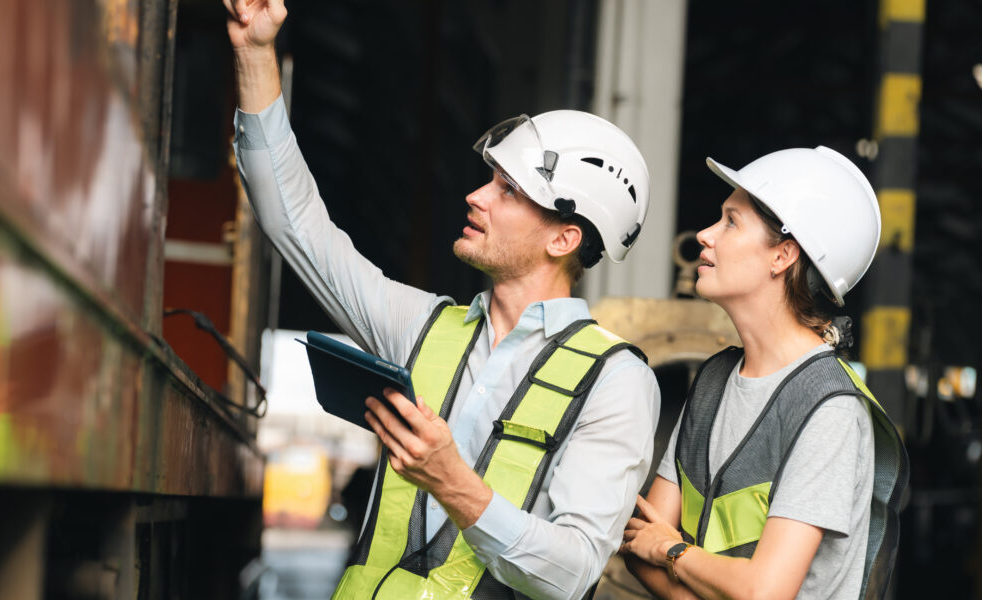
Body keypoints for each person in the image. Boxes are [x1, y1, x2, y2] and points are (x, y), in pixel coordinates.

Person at [224, 1, 661, 598]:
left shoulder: (615, 382)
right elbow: (295, 226)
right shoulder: (424, 328)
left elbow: (570, 572)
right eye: (490, 179)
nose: (477, 196)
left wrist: (452, 481)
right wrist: (254, 52)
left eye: (508, 191)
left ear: (565, 238)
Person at [620, 147, 909, 599]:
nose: (705, 234)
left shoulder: (827, 410)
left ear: (783, 257)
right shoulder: (714, 381)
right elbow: (639, 543)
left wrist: (673, 551)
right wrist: (666, 552)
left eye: (731, 222)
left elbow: (765, 592)